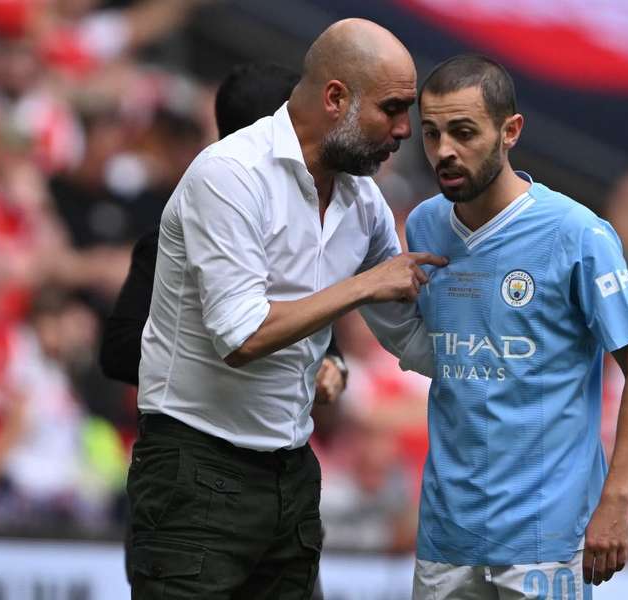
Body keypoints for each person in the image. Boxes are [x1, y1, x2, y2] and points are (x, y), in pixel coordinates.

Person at [127, 19, 446, 600]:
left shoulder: (363, 197)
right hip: (194, 466)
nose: (405, 130)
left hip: (292, 471)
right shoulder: (229, 175)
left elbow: (404, 326)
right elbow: (242, 335)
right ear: (335, 98)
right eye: (393, 109)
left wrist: (490, 365)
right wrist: (364, 286)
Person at [406, 55, 628, 599]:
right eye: (431, 134)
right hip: (446, 536)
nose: (444, 151)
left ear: (510, 132)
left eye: (463, 132)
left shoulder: (576, 233)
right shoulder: (424, 224)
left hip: (546, 539)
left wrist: (616, 501)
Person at [99, 62, 347, 405]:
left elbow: (318, 339)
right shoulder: (175, 240)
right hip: (189, 443)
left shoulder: (306, 240)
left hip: (277, 448)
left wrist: (333, 365)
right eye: (301, 132)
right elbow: (119, 352)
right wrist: (239, 365)